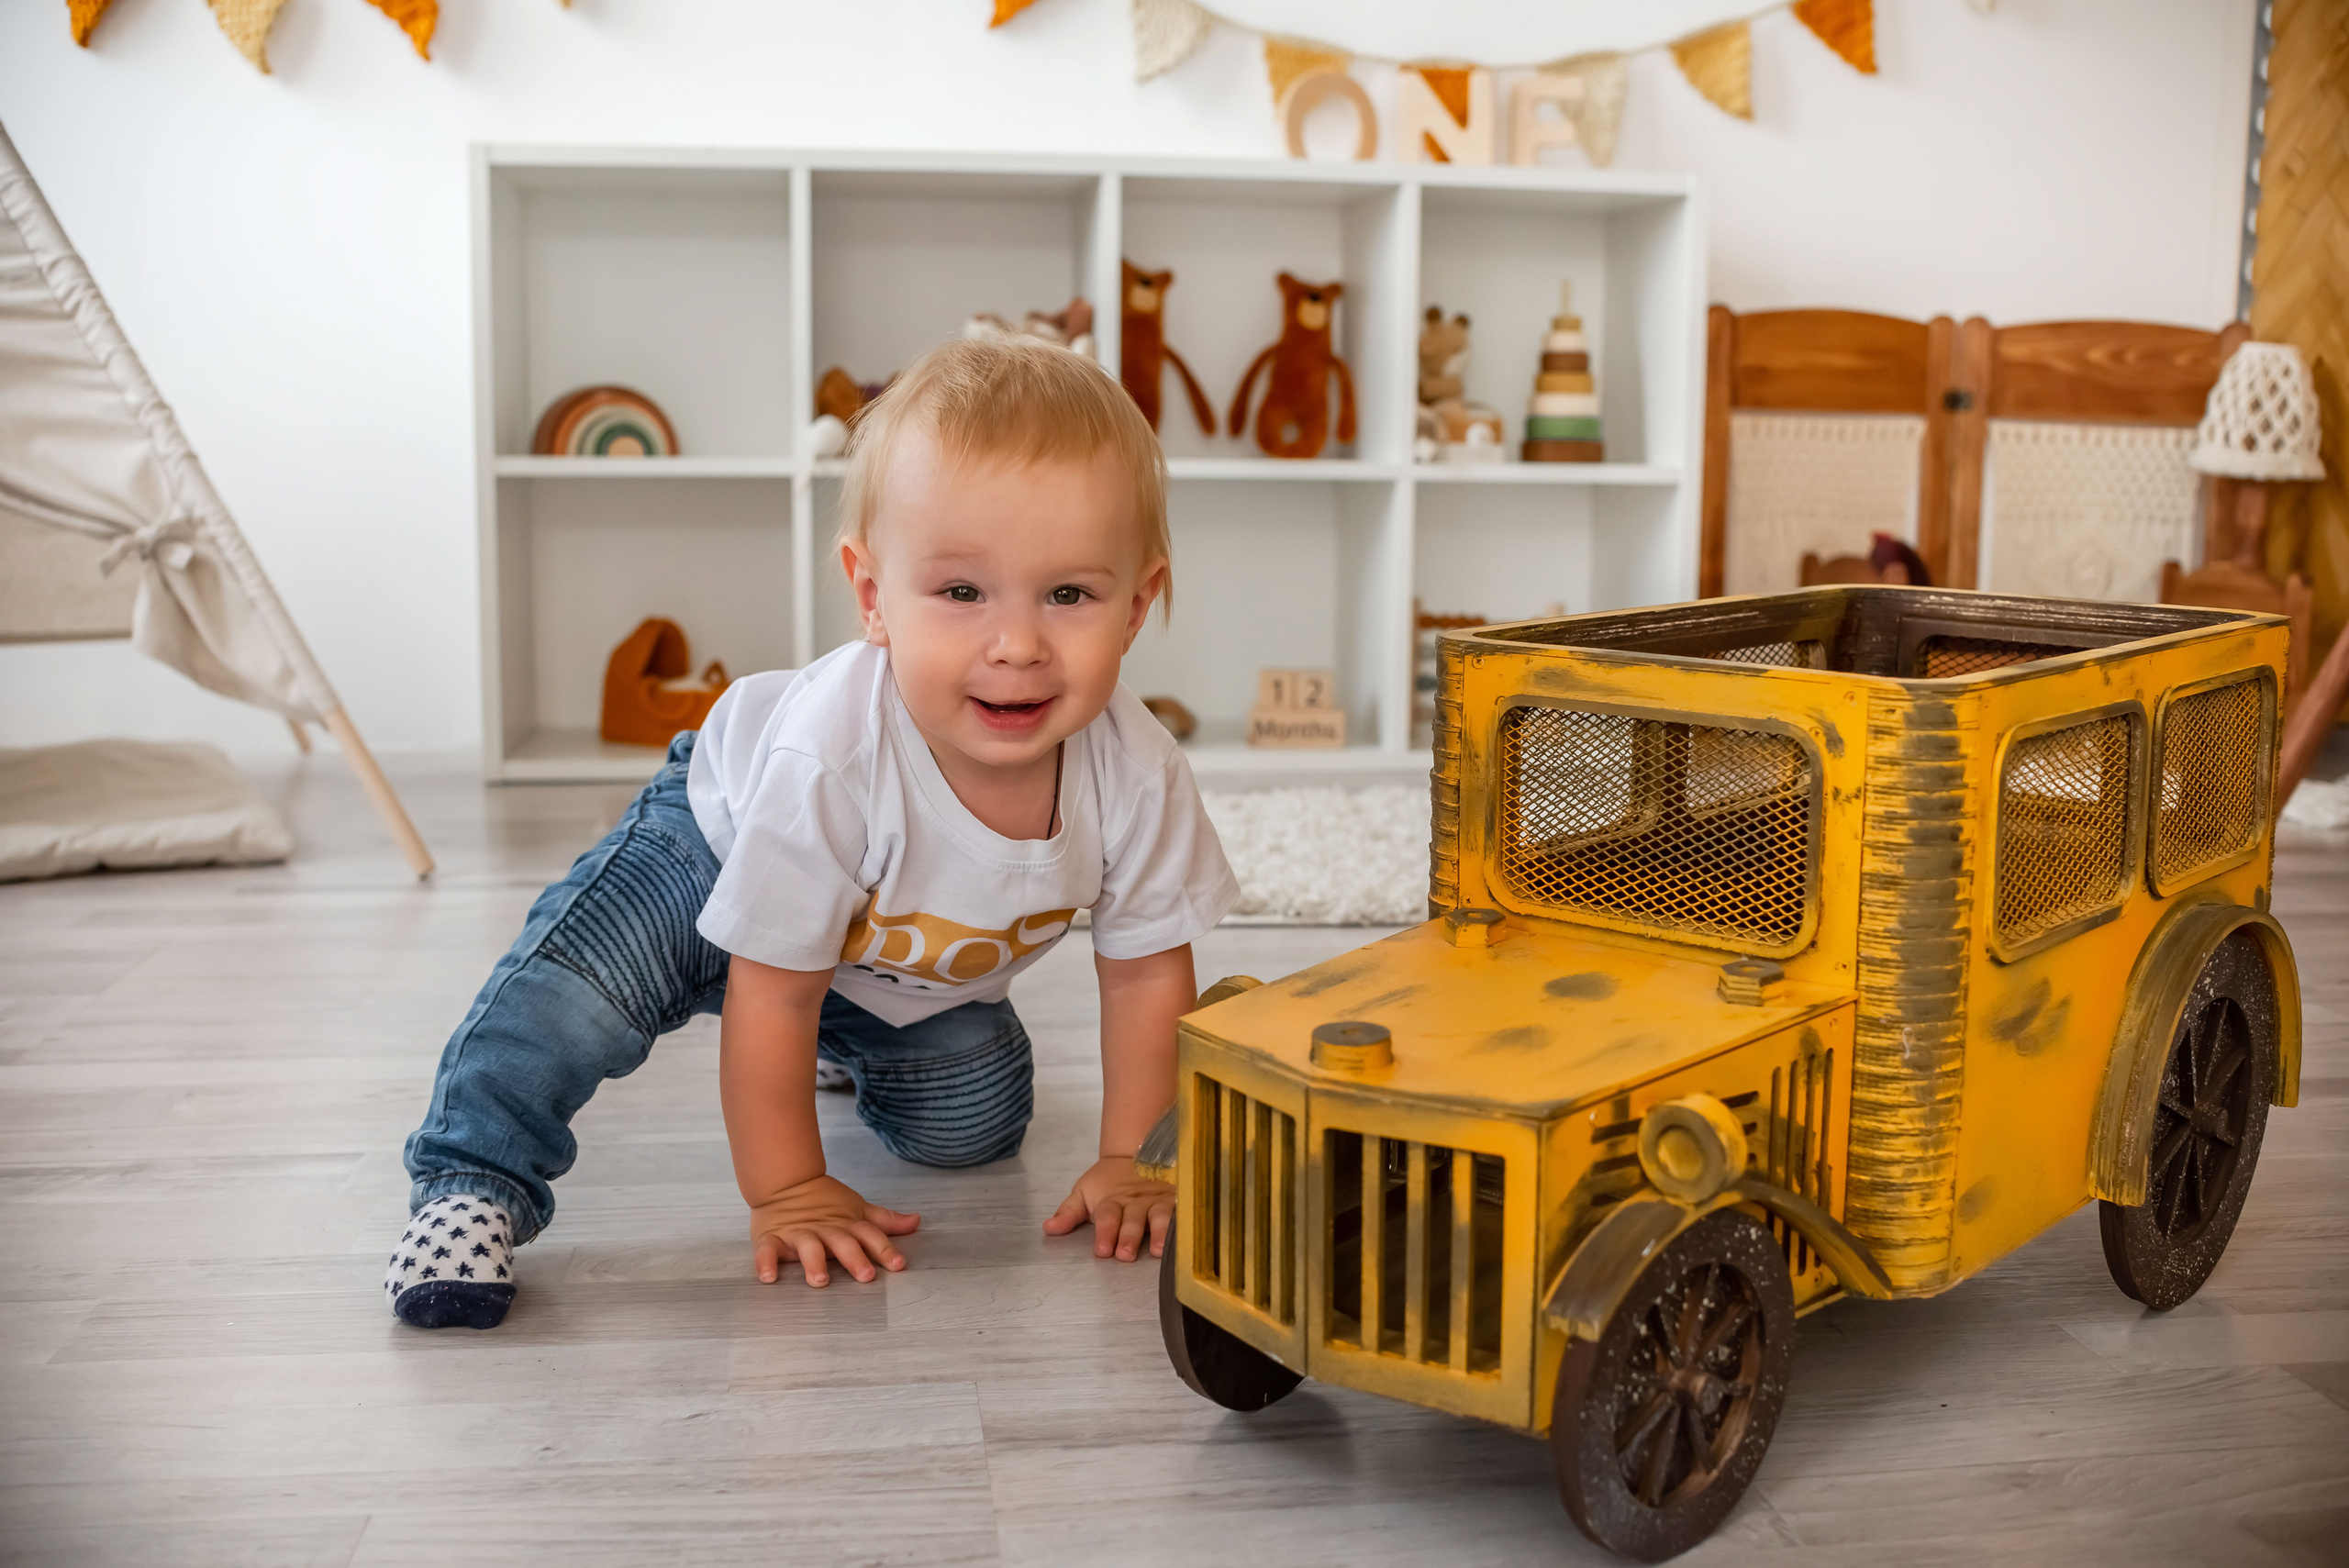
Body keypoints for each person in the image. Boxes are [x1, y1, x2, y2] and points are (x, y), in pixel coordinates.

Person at [384, 336, 1238, 1329]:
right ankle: (469, 1181)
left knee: (976, 1123)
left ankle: (846, 1040)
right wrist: (788, 1186)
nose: (1016, 643)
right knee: (582, 997)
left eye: (1069, 594)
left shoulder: (1137, 773)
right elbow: (771, 988)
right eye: (961, 592)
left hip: (880, 963)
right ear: (873, 597)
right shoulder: (832, 757)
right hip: (711, 842)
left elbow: (1142, 974)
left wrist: (1134, 1159)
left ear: (1136, 608)